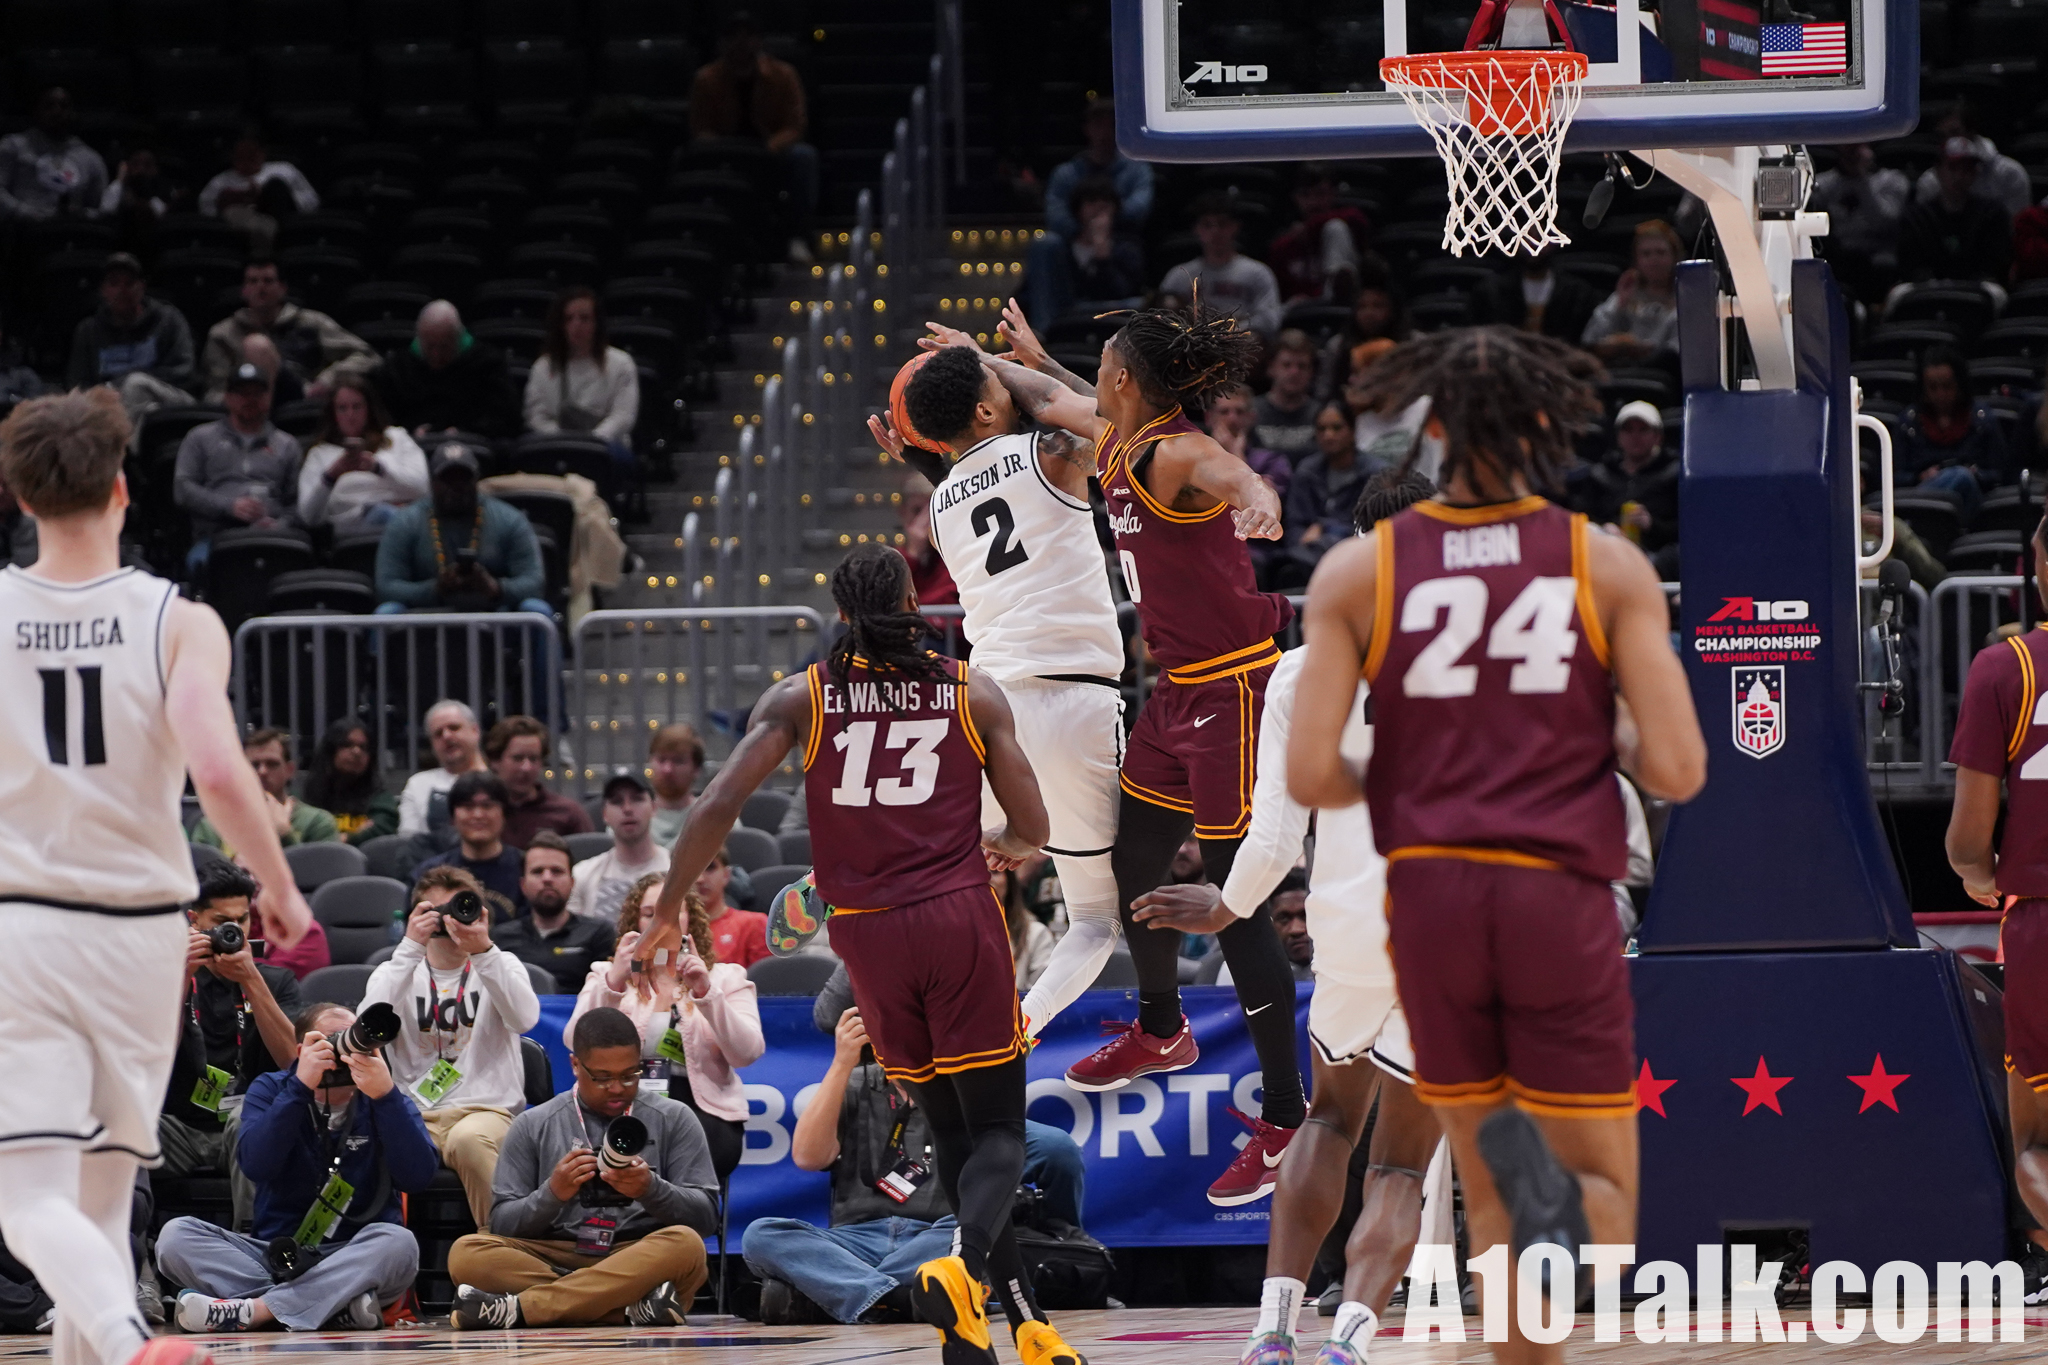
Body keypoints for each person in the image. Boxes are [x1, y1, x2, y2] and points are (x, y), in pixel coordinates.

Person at [1286, 326, 1707, 1365]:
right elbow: (1678, 768)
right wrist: (1594, 730)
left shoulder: (1356, 571)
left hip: (1430, 900)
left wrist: (1420, 778)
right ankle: (1558, 1235)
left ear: (1429, 431)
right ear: (1541, 426)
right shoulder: (1602, 562)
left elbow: (1312, 777)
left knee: (1482, 1180)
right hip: (1550, 892)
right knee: (1596, 1190)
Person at [636, 543, 1087, 1365]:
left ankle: (1025, 1328)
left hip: (866, 937)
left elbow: (717, 801)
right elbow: (1035, 828)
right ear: (915, 605)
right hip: (955, 918)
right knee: (998, 1131)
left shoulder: (800, 697)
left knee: (951, 1132)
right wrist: (1004, 841)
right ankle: (964, 1267)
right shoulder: (970, 690)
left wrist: (668, 909)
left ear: (841, 615)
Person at [0, 387, 312, 1365]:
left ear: (19, 495)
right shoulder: (180, 618)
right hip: (143, 930)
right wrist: (280, 887)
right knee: (102, 1195)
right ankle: (117, 1343)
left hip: (28, 922)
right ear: (123, 490)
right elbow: (217, 767)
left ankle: (129, 1339)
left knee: (27, 1198)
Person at [985, 306, 1309, 1207]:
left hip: (1234, 690)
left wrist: (1259, 500)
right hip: (1173, 693)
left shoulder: (1174, 453)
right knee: (1133, 863)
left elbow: (1234, 473)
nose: (1092, 374)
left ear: (1125, 380)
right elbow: (1050, 395)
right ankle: (1164, 1027)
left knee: (1235, 903)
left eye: (1102, 363)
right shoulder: (1119, 437)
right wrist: (1000, 358)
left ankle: (1285, 1115)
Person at [1134, 465, 1444, 1365]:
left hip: (1347, 923)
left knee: (1328, 1119)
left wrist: (1227, 903)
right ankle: (1350, 1338)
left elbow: (1272, 837)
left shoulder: (1303, 669)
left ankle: (1272, 1330)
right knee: (1399, 1160)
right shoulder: (1484, 661)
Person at [865, 330, 1126, 1037]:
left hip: (988, 712)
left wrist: (929, 450)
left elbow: (978, 481)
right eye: (996, 387)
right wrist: (1009, 363)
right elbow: (1117, 421)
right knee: (1096, 920)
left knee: (945, 860)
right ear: (986, 408)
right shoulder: (1054, 452)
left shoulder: (940, 507)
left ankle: (857, 879)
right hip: (1074, 699)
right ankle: (1023, 1024)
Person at [742, 1003, 1090, 1326]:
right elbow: (808, 1157)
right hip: (857, 1239)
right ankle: (903, 1298)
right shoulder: (854, 1082)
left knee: (977, 1232)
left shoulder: (968, 1090)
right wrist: (841, 1063)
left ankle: (842, 1293)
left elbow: (1056, 1150)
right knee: (762, 1234)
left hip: (936, 1234)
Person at [156, 1003, 430, 1333]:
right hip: (275, 1256)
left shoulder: (384, 1095)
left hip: (355, 1255)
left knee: (399, 1243)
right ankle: (333, 1308)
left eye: (354, 1042)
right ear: (301, 1051)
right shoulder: (272, 1088)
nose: (345, 1052)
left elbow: (418, 1176)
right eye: (331, 1042)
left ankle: (258, 1309)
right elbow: (256, 1164)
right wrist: (299, 1088)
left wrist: (385, 1098)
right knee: (175, 1237)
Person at [447, 1007, 714, 1328]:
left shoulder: (674, 1117)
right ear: (575, 1065)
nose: (617, 1087)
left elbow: (705, 1219)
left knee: (686, 1246)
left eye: (629, 1075)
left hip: (636, 1251)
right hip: (554, 1251)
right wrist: (552, 1193)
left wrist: (651, 1189)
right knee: (466, 1253)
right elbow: (502, 1223)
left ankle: (522, 1309)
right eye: (602, 1077)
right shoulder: (533, 1123)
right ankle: (625, 1308)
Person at [1947, 513, 2048, 1298]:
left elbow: (1965, 842)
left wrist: (1981, 874)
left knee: (2036, 1144)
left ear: (2042, 568)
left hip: (2041, 917)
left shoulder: (2005, 666)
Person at [361, 865, 543, 1230]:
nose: (447, 920)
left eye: (456, 908)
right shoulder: (394, 971)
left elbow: (525, 1020)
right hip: (414, 1115)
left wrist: (483, 950)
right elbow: (366, 1030)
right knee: (365, 1144)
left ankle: (502, 1246)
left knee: (469, 1139)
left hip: (486, 1112)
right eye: (434, 912)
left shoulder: (502, 964)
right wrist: (410, 949)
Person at [566, 874, 763, 1179]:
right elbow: (574, 1041)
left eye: (672, 913)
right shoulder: (606, 974)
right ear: (636, 923)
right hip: (619, 1101)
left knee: (677, 1155)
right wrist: (613, 983)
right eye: (650, 914)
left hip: (703, 1109)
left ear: (690, 919)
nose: (662, 923)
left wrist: (706, 993)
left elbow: (747, 1053)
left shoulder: (725, 978)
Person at [158, 862, 306, 1233]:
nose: (234, 930)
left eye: (242, 920)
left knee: (249, 1119)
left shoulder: (276, 981)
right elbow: (151, 1061)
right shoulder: (163, 976)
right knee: (122, 1129)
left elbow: (294, 1060)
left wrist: (251, 979)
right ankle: (131, 1257)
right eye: (222, 921)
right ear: (193, 921)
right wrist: (180, 977)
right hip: (178, 1128)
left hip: (244, 1124)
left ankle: (250, 1248)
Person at [688, 13, 818, 263]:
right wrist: (722, 148)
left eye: (747, 36)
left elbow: (795, 125)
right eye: (734, 37)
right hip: (725, 154)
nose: (741, 44)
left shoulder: (784, 75)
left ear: (759, 42)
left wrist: (770, 147)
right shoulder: (706, 80)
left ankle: (797, 236)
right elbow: (699, 129)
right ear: (722, 43)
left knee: (804, 158)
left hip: (771, 150)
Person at [373, 441, 550, 617]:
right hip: (424, 618)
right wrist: (434, 589)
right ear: (432, 483)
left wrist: (495, 587)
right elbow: (386, 586)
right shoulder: (405, 522)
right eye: (448, 479)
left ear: (476, 481)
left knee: (537, 610)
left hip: (497, 616)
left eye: (464, 479)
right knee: (386, 612)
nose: (457, 487)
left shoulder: (510, 519)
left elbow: (534, 582)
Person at [172, 362, 300, 567]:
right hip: (216, 537)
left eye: (257, 393)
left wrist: (280, 525)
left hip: (272, 538)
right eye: (242, 393)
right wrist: (229, 506)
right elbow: (183, 489)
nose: (250, 400)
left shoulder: (287, 445)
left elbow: (297, 504)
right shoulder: (200, 438)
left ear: (268, 398)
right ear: (228, 397)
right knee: (201, 565)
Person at [201, 258, 376, 404]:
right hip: (246, 409)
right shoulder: (222, 334)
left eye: (268, 281)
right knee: (258, 347)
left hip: (303, 402)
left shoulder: (312, 322)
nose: (261, 288)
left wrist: (327, 380)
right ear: (244, 290)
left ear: (282, 288)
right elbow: (214, 392)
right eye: (253, 281)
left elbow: (366, 356)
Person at [66, 253, 197, 422]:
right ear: (103, 290)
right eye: (114, 283)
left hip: (167, 398)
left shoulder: (168, 319)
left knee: (135, 384)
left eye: (129, 283)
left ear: (142, 287)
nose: (122, 290)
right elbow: (78, 384)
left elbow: (183, 370)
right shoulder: (88, 330)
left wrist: (123, 384)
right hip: (110, 405)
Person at [1564, 401, 1682, 577]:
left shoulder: (1675, 475)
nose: (1635, 436)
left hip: (1658, 557)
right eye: (1628, 430)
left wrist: (1652, 525)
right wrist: (1603, 529)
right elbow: (1582, 518)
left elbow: (1689, 529)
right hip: (1608, 554)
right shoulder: (1600, 475)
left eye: (1643, 430)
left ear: (1657, 436)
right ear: (1618, 437)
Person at [523, 287, 639, 466]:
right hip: (556, 445)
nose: (576, 325)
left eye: (584, 318)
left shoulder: (621, 363)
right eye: (569, 319)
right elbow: (536, 417)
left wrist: (592, 442)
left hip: (607, 447)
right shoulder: (543, 367)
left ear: (596, 323)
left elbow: (623, 417)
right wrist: (563, 441)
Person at [296, 379, 429, 534]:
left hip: (406, 516)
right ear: (333, 414)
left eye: (357, 407)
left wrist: (378, 468)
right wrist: (331, 476)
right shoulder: (319, 454)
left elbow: (422, 487)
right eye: (342, 408)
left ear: (369, 409)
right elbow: (308, 516)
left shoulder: (396, 437)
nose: (350, 415)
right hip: (354, 531)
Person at [373, 301, 520, 440]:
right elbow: (385, 419)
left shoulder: (488, 364)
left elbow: (505, 418)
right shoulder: (398, 368)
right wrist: (411, 431)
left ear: (457, 338)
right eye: (430, 346)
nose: (436, 355)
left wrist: (465, 431)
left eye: (444, 346)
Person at [493, 833, 615, 992]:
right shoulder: (499, 939)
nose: (547, 878)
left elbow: (608, 994)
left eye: (556, 871)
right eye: (537, 871)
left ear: (572, 883)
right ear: (523, 885)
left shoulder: (599, 935)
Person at [1019, 176, 1147, 327]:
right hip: (1065, 311)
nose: (1098, 210)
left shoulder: (1127, 247)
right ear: (1079, 209)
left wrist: (1102, 256)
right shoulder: (1061, 249)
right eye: (1091, 203)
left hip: (1107, 309)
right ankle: (1043, 333)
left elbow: (1121, 292)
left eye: (1105, 205)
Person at [1899, 346, 2008, 522]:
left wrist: (1976, 474)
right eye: (1933, 388)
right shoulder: (1909, 423)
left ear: (1959, 384)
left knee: (1962, 477)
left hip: (1973, 503)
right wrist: (1919, 477)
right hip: (1922, 497)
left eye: (1947, 386)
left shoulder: (1982, 420)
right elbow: (1893, 476)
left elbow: (2002, 474)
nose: (1940, 394)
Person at [191, 728, 340, 851]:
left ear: (289, 770)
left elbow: (318, 874)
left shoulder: (317, 822)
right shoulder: (212, 826)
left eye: (272, 764)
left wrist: (285, 835)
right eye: (254, 765)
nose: (262, 771)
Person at [1159, 196, 1284, 341]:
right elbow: (1160, 317)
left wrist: (1232, 331)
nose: (1215, 231)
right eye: (1207, 225)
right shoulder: (1180, 275)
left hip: (1240, 342)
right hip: (1192, 343)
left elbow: (1269, 319)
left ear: (1235, 227)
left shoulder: (1257, 273)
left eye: (1222, 224)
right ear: (1196, 229)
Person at [1275, 402, 1371, 589]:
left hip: (1355, 557)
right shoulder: (1306, 471)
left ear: (1352, 431)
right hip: (1306, 559)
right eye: (1322, 429)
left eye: (1336, 428)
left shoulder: (1373, 474)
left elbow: (1370, 528)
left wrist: (1324, 527)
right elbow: (1294, 525)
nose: (1329, 435)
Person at [414, 772, 530, 921]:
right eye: (468, 807)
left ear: (504, 814)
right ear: (453, 817)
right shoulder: (429, 875)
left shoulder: (527, 869)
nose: (478, 815)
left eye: (487, 806)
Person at [1899, 138, 2013, 286]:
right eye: (1953, 168)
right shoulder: (1917, 217)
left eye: (1967, 169)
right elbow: (1911, 266)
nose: (1959, 176)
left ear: (1975, 173)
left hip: (1979, 289)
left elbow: (1996, 265)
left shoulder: (1992, 213)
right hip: (1925, 289)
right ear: (1938, 171)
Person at [1042, 98, 1154, 242]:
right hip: (1075, 239)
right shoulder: (1065, 173)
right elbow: (1055, 212)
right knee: (1047, 242)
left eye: (1111, 125)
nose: (1104, 133)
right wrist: (1082, 232)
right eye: (1098, 125)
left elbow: (1139, 208)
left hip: (1120, 237)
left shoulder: (1137, 170)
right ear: (1086, 129)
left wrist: (1106, 221)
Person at [1811, 144, 1911, 300]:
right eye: (1849, 150)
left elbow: (1886, 222)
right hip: (1840, 256)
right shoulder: (1822, 184)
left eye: (1857, 150)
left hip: (1878, 255)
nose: (1852, 156)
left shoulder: (1893, 181)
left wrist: (1862, 178)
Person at [567, 774, 671, 923]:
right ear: (604, 814)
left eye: (637, 799)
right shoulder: (581, 875)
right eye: (617, 801)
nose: (627, 809)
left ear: (654, 808)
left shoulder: (676, 870)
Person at [1581, 220, 1682, 366]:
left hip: (1666, 371)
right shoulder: (1625, 294)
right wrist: (1620, 305)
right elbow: (1591, 339)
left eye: (1661, 252)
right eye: (1646, 254)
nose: (1654, 259)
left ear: (1674, 257)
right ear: (1636, 261)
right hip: (1620, 369)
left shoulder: (1686, 298)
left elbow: (1680, 350)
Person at [195, 134, 318, 254]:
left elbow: (311, 200)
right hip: (242, 226)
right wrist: (241, 198)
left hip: (281, 222)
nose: (246, 161)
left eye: (251, 155)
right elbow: (206, 208)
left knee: (276, 186)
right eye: (240, 156)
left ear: (262, 153)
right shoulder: (220, 181)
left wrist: (266, 196)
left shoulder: (285, 170)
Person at [1266, 164, 1370, 305]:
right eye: (1305, 195)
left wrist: (1310, 228)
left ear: (1333, 194)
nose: (1313, 202)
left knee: (1335, 227)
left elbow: (1358, 218)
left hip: (1342, 307)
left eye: (1320, 193)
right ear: (1295, 198)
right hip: (1299, 310)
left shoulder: (1347, 221)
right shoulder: (1283, 245)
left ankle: (1336, 289)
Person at [0, 88, 108, 222]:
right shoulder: (13, 146)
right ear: (36, 111)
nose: (57, 111)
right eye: (49, 105)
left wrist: (82, 215)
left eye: (63, 106)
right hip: (23, 228)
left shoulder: (90, 158)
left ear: (73, 113)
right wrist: (25, 213)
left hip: (73, 229)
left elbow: (102, 206)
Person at [487, 715, 593, 849]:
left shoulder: (568, 814)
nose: (526, 768)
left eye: (533, 759)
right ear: (495, 761)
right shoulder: (480, 812)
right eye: (517, 758)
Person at [398, 699, 487, 840]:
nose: (446, 736)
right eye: (438, 733)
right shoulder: (418, 785)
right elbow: (408, 842)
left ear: (475, 731)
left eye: (454, 728)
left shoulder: (500, 779)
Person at [302, 719, 401, 845]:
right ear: (331, 751)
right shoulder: (306, 796)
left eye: (363, 747)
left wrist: (342, 839)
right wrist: (357, 834)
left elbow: (382, 830)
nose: (357, 752)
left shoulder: (381, 798)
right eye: (347, 745)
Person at [1477, 247, 1599, 345]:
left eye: (1539, 237)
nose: (1533, 245)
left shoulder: (1577, 292)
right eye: (1528, 237)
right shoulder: (1491, 290)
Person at [1313, 272, 1403, 403]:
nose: (1369, 313)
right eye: (1362, 306)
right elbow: (1323, 394)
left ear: (1392, 309)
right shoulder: (1337, 346)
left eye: (1377, 305)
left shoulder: (1413, 343)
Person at [1206, 382, 1293, 503]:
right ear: (1209, 418)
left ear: (1252, 417)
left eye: (1240, 412)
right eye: (1224, 412)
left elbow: (1262, 503)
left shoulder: (1272, 461)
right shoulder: (1194, 455)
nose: (1232, 419)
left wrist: (1236, 454)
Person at [895, 471, 960, 629]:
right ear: (902, 512)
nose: (925, 522)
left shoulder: (957, 557)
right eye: (917, 511)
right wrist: (914, 552)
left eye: (932, 512)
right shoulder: (893, 559)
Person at [1252, 330, 1322, 466]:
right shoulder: (1250, 411)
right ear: (1271, 368)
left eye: (1302, 366)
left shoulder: (1322, 415)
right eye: (1286, 365)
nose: (1294, 372)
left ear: (1311, 372)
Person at [694, 847, 770, 969]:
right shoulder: (671, 930)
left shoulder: (753, 924)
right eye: (691, 871)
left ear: (726, 875)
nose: (700, 879)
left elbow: (765, 977)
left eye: (710, 868)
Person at [648, 723, 703, 847]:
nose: (667, 769)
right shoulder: (629, 820)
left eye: (678, 761)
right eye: (661, 760)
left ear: (696, 769)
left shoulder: (715, 817)